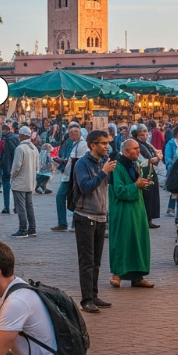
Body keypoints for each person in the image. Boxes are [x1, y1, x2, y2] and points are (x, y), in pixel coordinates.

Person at [72, 130, 116, 313]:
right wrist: (103, 173)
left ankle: (94, 295)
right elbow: (85, 187)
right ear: (93, 145)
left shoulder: (102, 162)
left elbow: (108, 186)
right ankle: (86, 299)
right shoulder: (82, 164)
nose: (107, 146)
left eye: (108, 143)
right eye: (103, 143)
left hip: (101, 216)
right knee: (87, 261)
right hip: (85, 216)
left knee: (97, 261)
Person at [108, 139, 154, 289]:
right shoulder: (117, 167)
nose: (138, 151)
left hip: (137, 209)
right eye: (135, 149)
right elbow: (119, 190)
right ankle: (117, 274)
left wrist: (143, 183)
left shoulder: (134, 165)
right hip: (122, 210)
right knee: (122, 241)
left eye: (138, 148)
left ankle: (137, 276)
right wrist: (136, 185)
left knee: (138, 241)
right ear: (126, 151)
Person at [52, 124, 87, 232]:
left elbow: (80, 162)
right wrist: (62, 161)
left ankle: (75, 224)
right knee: (61, 197)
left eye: (75, 132)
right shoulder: (73, 144)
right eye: (71, 133)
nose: (73, 134)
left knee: (75, 199)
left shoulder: (82, 145)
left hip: (74, 177)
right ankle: (62, 223)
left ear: (80, 133)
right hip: (68, 176)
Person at [10, 127, 39, 238]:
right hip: (30, 181)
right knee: (29, 206)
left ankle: (23, 229)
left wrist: (12, 176)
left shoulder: (20, 148)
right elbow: (37, 166)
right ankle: (32, 229)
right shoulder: (34, 148)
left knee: (21, 207)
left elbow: (16, 166)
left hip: (20, 181)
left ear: (22, 135)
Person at [133, 125, 161, 229]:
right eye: (141, 134)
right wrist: (151, 160)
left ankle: (149, 219)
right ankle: (145, 219)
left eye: (145, 134)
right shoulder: (137, 145)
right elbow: (138, 160)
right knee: (146, 196)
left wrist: (156, 158)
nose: (144, 136)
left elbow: (154, 158)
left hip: (150, 171)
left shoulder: (147, 145)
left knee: (151, 197)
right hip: (143, 172)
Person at [0, 124, 20, 215]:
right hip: (15, 166)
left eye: (3, 131)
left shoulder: (7, 139)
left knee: (7, 187)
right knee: (15, 187)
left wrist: (2, 162)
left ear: (7, 131)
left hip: (7, 166)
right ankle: (16, 207)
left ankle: (7, 207)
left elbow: (6, 153)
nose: (2, 132)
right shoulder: (16, 138)